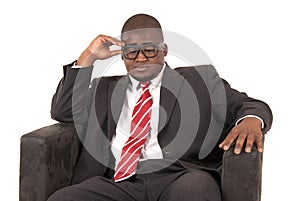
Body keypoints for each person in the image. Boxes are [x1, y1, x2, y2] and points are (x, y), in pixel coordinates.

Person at [48, 13, 273, 201]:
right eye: (132, 51)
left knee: (197, 189)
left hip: (178, 176)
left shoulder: (199, 80)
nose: (141, 58)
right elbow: (62, 111)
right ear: (123, 55)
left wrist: (251, 120)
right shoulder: (103, 88)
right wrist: (88, 57)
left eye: (149, 49)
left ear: (164, 50)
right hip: (117, 181)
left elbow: (248, 105)